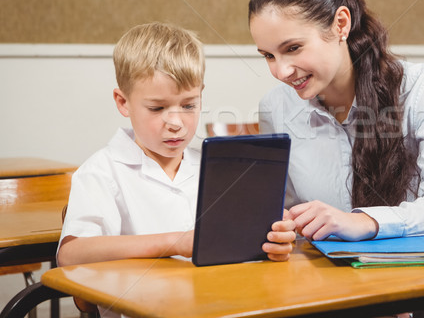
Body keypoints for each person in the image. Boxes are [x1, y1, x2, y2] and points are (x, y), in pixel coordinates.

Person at [249, 0, 424, 317]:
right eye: (268, 56)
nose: (281, 71)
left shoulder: (420, 89)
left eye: (293, 48)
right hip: (338, 294)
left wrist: (365, 222)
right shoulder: (275, 107)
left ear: (341, 24)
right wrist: (280, 230)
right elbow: (287, 219)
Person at [58, 22, 295, 316]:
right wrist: (175, 242)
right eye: (157, 108)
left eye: (188, 105)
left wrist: (272, 242)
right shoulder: (102, 172)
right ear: (123, 101)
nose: (176, 122)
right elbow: (70, 256)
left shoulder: (215, 168)